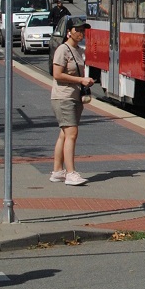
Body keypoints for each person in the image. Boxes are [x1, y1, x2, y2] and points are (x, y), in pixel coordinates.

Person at [50, 18, 95, 186]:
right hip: (63, 97)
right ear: (69, 31)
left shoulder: (78, 50)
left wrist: (84, 81)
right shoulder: (63, 49)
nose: (81, 33)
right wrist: (80, 80)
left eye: (83, 30)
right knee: (72, 134)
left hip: (73, 97)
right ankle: (70, 173)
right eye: (78, 30)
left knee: (64, 134)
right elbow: (57, 74)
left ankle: (57, 171)